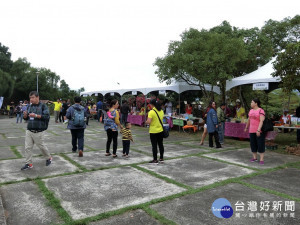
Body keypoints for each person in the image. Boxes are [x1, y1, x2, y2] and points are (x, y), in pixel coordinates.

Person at [21, 91, 52, 170]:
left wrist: (36, 115)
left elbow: (46, 117)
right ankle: (29, 163)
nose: (31, 99)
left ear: (37, 97)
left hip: (39, 131)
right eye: (30, 98)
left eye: (33, 97)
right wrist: (25, 116)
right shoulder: (29, 106)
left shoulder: (43, 106)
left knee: (41, 146)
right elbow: (26, 118)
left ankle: (48, 158)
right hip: (29, 130)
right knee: (27, 148)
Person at [244, 98, 265, 165]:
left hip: (259, 131)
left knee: (260, 144)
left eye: (252, 102)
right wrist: (246, 127)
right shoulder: (250, 111)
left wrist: (258, 130)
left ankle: (261, 159)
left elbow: (261, 121)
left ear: (256, 103)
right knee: (253, 144)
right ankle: (254, 157)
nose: (251, 103)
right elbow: (249, 120)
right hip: (251, 130)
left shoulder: (261, 110)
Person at [145, 99, 165, 163]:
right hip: (160, 130)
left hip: (153, 131)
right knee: (160, 144)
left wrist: (145, 122)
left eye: (150, 104)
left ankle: (155, 159)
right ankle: (161, 157)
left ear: (152, 104)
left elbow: (148, 122)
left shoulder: (151, 112)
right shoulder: (161, 111)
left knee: (154, 145)